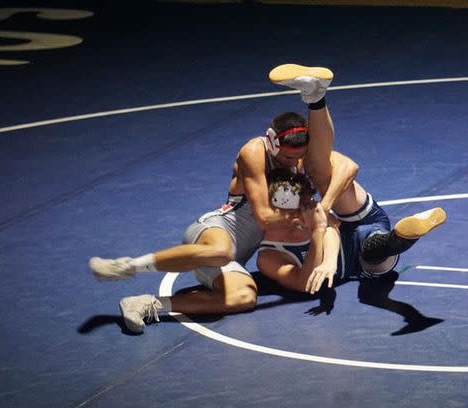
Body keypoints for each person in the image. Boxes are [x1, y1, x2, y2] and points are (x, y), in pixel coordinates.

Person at [89, 64, 351, 333]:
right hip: (216, 230)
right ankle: (129, 266)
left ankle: (146, 304)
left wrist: (325, 203)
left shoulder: (296, 158)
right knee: (221, 250)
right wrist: (307, 212)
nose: (294, 163)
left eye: (299, 157)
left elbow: (345, 164)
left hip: (233, 257)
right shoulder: (254, 151)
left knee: (245, 298)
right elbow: (262, 216)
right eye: (287, 157)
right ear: (272, 143)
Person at [256, 163, 447, 295]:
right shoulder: (269, 257)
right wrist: (316, 231)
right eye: (298, 206)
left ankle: (401, 236)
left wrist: (329, 261)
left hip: (359, 231)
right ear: (275, 209)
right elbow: (303, 284)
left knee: (372, 247)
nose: (307, 208)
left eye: (306, 203)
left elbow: (332, 225)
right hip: (360, 266)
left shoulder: (309, 208)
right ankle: (403, 235)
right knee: (376, 260)